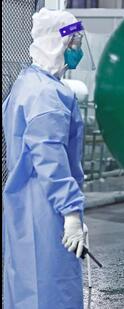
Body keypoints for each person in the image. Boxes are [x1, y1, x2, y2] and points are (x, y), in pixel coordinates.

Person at [3, 8, 90, 308]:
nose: (77, 49)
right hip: (46, 207)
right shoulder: (47, 95)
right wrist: (70, 212)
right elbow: (50, 158)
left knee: (25, 283)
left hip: (23, 203)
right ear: (57, 43)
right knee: (52, 286)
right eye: (74, 43)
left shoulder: (28, 82)